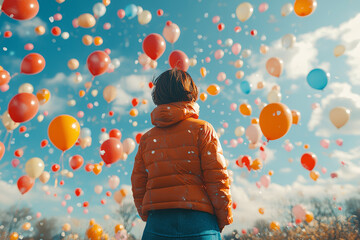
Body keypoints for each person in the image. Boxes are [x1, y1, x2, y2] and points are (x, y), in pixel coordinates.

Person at [131, 68, 233, 240]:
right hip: (200, 223)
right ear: (190, 92)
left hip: (157, 224)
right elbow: (217, 179)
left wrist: (149, 214)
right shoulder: (203, 129)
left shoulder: (147, 139)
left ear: (158, 95)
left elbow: (138, 183)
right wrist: (222, 219)